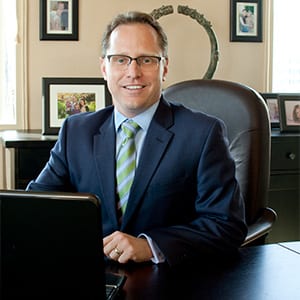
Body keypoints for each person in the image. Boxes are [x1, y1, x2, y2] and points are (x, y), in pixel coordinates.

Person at [26, 11, 247, 266]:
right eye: (120, 60)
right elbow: (36, 206)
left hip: (170, 281)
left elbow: (226, 225)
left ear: (164, 67)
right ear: (104, 68)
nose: (133, 72)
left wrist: (150, 246)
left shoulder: (204, 133)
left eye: (146, 60)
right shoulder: (76, 131)